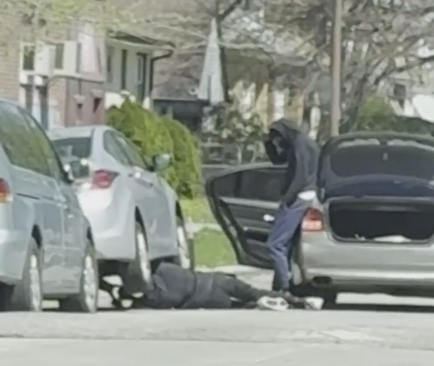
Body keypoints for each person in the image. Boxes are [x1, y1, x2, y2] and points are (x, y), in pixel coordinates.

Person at [263, 119, 320, 293]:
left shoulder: (300, 146)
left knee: (275, 244)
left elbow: (299, 176)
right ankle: (280, 285)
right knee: (287, 244)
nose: (276, 141)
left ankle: (283, 286)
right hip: (307, 194)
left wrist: (287, 199)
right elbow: (278, 160)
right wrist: (268, 144)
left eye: (277, 137)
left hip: (299, 195)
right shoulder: (302, 143)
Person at [114, 262, 319, 310]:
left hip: (206, 299)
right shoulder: (161, 268)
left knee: (244, 305)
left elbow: (132, 302)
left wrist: (114, 293)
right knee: (255, 293)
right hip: (215, 280)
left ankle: (272, 304)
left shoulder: (155, 298)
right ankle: (300, 301)